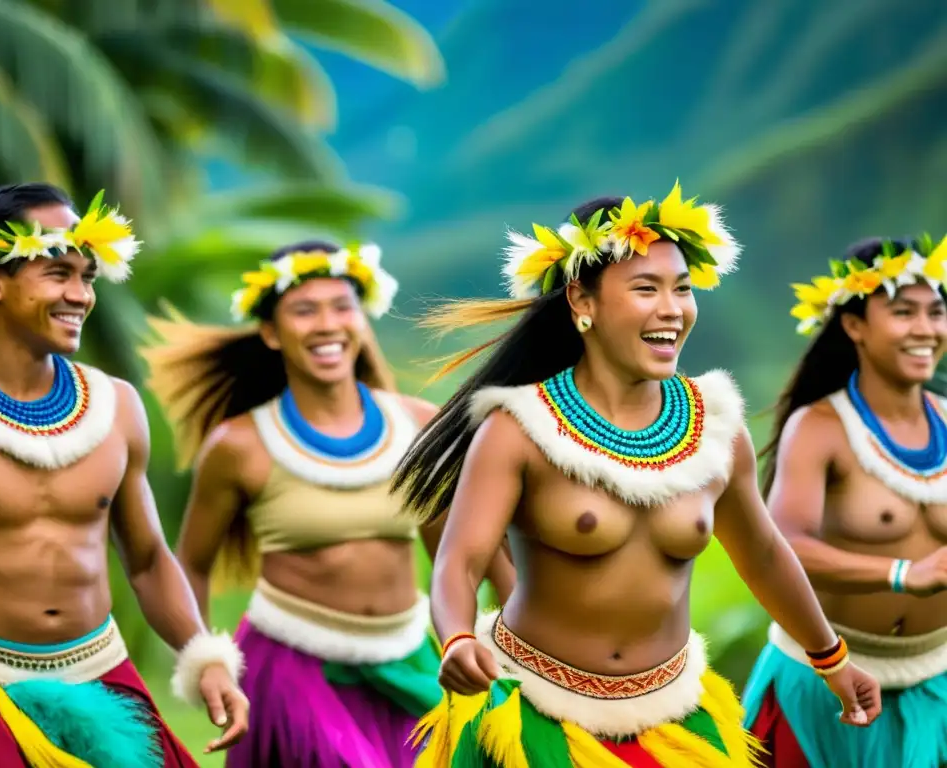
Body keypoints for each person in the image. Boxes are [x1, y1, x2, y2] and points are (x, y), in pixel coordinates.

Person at [391, 181, 883, 766]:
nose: (672, 309)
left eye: (683, 288)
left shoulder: (716, 429)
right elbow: (459, 559)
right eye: (646, 289)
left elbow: (764, 554)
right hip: (533, 714)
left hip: (674, 716)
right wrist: (458, 637)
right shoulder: (518, 428)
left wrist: (830, 657)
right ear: (583, 301)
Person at [138, 240, 516, 768]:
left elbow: (460, 555)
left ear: (362, 320)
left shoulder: (416, 422)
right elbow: (192, 566)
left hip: (408, 660)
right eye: (303, 310)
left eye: (342, 306)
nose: (327, 324)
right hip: (293, 665)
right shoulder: (239, 446)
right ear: (271, 332)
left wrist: (515, 645)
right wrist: (208, 665)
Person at [0, 183, 248, 768]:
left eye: (88, 276)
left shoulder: (117, 406)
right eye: (57, 273)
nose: (79, 295)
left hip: (101, 667)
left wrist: (206, 657)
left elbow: (147, 560)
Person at [741, 234, 947, 768]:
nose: (925, 329)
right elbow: (782, 545)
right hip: (827, 682)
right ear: (854, 325)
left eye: (936, 312)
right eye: (903, 312)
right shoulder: (821, 428)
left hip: (937, 676)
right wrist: (902, 574)